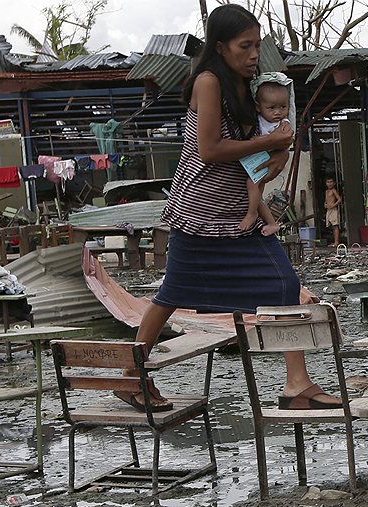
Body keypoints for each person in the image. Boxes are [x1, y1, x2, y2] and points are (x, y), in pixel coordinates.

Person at [119, 4, 340, 412]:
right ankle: (132, 377)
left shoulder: (249, 86)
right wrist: (270, 145)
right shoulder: (208, 82)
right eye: (245, 46)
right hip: (199, 212)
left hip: (240, 212)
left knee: (284, 284)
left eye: (257, 45)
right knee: (171, 294)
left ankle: (297, 384)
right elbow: (211, 149)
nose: (254, 54)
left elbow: (262, 140)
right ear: (220, 47)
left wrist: (280, 150)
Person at [238, 73, 294, 234]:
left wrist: (264, 141)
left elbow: (287, 138)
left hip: (267, 160)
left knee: (252, 185)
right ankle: (271, 223)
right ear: (258, 106)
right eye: (271, 108)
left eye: (283, 107)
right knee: (257, 194)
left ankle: (251, 213)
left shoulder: (283, 123)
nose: (277, 112)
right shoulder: (259, 119)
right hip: (258, 159)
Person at [324, 177, 342, 246]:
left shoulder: (333, 190)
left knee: (335, 225)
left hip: (333, 209)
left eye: (331, 182)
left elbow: (339, 199)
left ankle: (336, 242)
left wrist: (333, 205)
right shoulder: (326, 191)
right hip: (329, 210)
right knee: (331, 226)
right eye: (328, 182)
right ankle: (335, 241)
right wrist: (325, 204)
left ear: (334, 183)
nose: (329, 183)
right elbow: (326, 200)